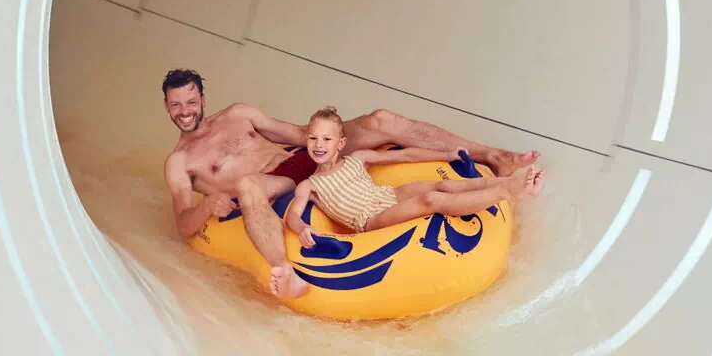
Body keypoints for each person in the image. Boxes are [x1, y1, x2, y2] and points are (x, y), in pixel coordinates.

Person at [161, 68, 540, 299]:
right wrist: (206, 206)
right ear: (167, 107)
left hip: (301, 159)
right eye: (176, 105)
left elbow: (298, 133)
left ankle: (491, 155)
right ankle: (284, 270)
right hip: (274, 184)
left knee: (381, 119)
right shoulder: (180, 162)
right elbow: (182, 223)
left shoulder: (238, 114)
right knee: (247, 183)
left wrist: (330, 134)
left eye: (190, 102)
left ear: (202, 98)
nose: (185, 112)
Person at [285, 107, 543, 245]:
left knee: (443, 185)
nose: (319, 145)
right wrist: (303, 229)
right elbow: (293, 216)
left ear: (341, 143)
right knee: (430, 199)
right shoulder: (309, 185)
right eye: (313, 138)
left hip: (387, 195)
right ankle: (506, 192)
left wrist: (447, 154)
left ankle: (507, 181)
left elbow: (406, 155)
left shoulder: (358, 158)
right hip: (370, 219)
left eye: (327, 139)